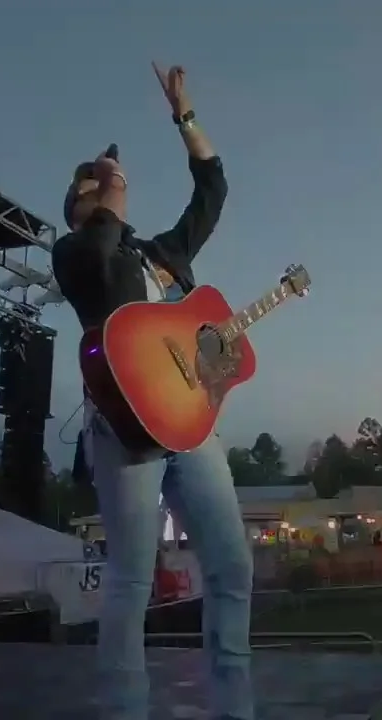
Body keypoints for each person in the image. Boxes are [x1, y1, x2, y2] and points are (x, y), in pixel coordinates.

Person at [51, 63, 253, 720]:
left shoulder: (158, 256)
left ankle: (234, 709)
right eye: (92, 187)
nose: (107, 188)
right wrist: (111, 184)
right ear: (79, 207)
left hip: (189, 427)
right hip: (125, 433)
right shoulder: (72, 254)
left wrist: (184, 114)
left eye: (105, 183)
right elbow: (103, 256)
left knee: (232, 567)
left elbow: (212, 191)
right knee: (132, 579)